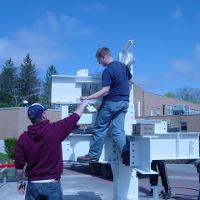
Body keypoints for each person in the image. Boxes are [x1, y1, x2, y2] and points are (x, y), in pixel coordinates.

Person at [15, 100, 88, 200]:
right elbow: (74, 117)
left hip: (33, 186)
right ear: (43, 115)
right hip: (52, 185)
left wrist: (20, 181)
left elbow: (19, 166)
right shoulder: (54, 130)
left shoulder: (23, 138)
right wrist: (83, 104)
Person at [77, 47, 133, 163]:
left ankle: (93, 155)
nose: (100, 63)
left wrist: (88, 97)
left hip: (112, 102)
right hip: (124, 102)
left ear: (103, 56)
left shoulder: (107, 71)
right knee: (118, 131)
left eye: (99, 61)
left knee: (99, 128)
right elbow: (130, 81)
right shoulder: (123, 66)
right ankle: (126, 153)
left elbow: (105, 91)